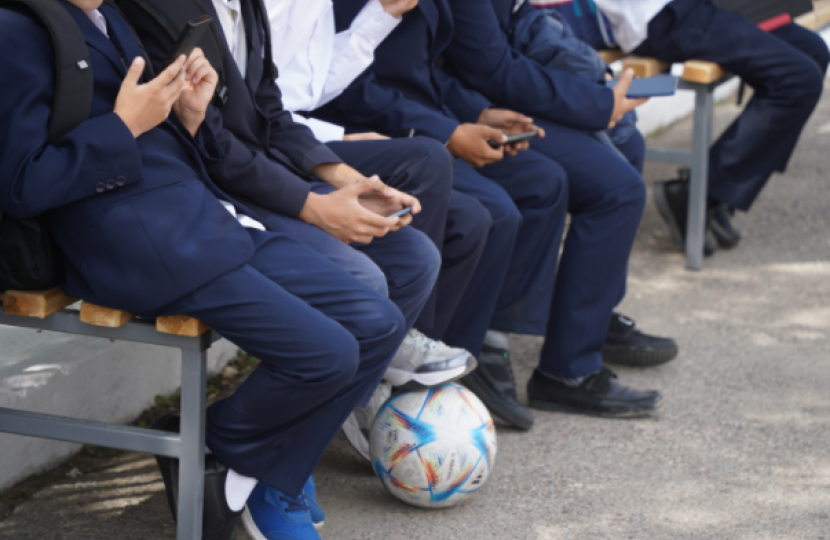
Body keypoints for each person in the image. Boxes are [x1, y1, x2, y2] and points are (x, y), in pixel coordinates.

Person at [0, 3, 413, 540]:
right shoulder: (16, 30)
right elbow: (22, 185)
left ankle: (228, 457)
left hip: (203, 216)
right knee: (328, 354)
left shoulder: (105, 16)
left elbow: (156, 138)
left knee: (378, 321)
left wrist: (188, 118)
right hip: (138, 243)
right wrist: (125, 125)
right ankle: (218, 445)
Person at [319, 0, 664, 430]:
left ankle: (481, 349)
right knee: (497, 211)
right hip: (368, 131)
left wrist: (474, 112)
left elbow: (425, 71)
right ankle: (431, 376)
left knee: (545, 182)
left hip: (433, 114)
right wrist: (449, 131)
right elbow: (348, 86)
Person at [260, 0, 497, 461]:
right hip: (267, 151)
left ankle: (399, 383)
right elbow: (255, 114)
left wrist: (383, 14)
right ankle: (389, 362)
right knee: (426, 158)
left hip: (296, 134)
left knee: (469, 221)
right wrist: (333, 141)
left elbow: (303, 86)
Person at [441, 0, 679, 373]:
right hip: (465, 104)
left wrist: (597, 94)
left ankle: (592, 320)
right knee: (617, 189)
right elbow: (489, 66)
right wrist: (595, 103)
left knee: (627, 142)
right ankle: (570, 370)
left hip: (491, 88)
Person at [591, 0, 829, 251]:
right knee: (799, 79)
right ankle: (704, 192)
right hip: (663, 17)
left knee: (812, 50)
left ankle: (717, 188)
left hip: (707, 8)